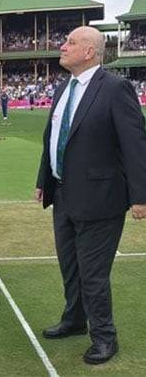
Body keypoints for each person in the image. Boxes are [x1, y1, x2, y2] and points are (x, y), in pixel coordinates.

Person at [35, 26, 146, 365]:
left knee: (93, 273)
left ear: (89, 52)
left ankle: (104, 338)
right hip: (64, 194)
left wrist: (141, 196)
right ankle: (74, 319)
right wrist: (44, 179)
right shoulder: (63, 89)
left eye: (70, 42)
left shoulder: (115, 88)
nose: (62, 46)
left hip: (101, 198)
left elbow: (135, 144)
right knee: (70, 267)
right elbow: (53, 138)